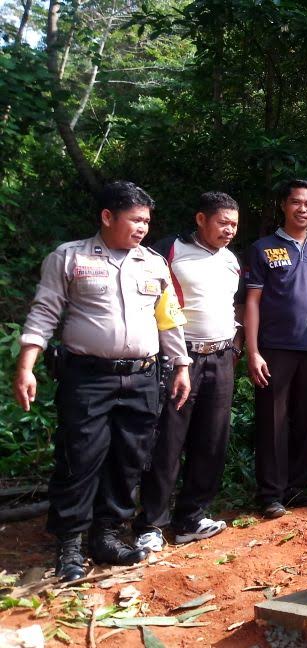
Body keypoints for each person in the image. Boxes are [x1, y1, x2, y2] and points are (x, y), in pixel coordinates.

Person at [14, 181, 191, 581]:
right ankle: (70, 542)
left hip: (143, 377)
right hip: (88, 378)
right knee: (80, 458)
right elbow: (44, 312)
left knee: (129, 459)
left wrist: (181, 365)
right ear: (107, 217)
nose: (143, 227)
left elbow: (169, 319)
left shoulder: (153, 263)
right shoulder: (69, 258)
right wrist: (26, 364)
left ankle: (107, 534)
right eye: (135, 219)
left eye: (147, 220)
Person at [134, 192, 242, 553]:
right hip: (181, 360)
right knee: (167, 441)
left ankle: (191, 518)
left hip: (222, 358)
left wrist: (234, 348)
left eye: (234, 225)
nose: (229, 230)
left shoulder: (230, 260)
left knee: (212, 440)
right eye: (223, 222)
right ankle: (151, 522)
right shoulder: (168, 251)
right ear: (201, 219)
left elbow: (229, 306)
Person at [244, 179, 307, 519]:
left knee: (306, 420)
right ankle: (271, 493)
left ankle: (296, 486)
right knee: (273, 421)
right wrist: (252, 351)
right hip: (274, 348)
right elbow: (251, 302)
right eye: (296, 202)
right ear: (283, 204)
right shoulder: (263, 248)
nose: (303, 209)